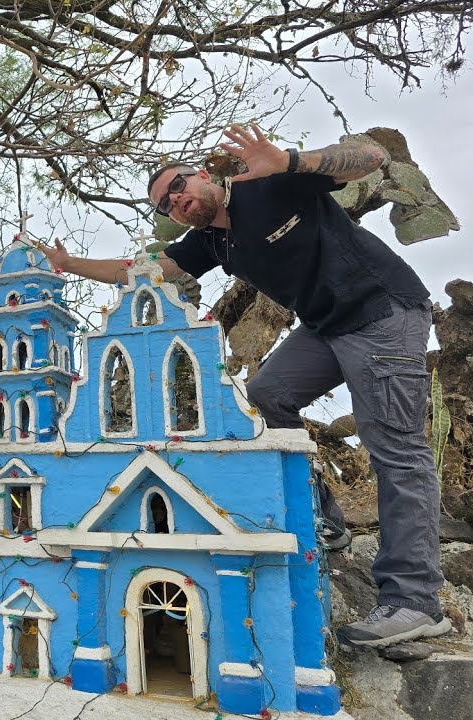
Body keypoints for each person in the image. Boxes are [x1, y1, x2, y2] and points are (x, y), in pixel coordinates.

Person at [43, 124, 449, 648]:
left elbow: (370, 157)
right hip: (325, 327)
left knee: (396, 450)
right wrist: (71, 265)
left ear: (203, 175)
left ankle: (414, 601)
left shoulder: (271, 185)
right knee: (265, 396)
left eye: (179, 185)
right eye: (167, 204)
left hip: (381, 312)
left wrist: (292, 160)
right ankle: (324, 516)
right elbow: (142, 270)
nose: (178, 200)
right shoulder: (213, 240)